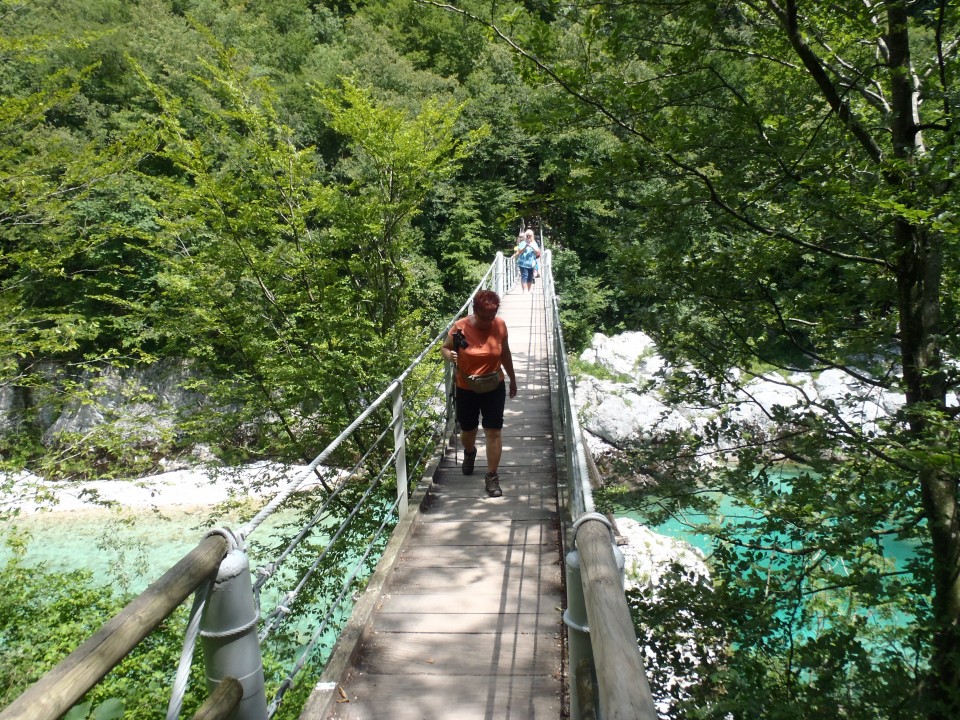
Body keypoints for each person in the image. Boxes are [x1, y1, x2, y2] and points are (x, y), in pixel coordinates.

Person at [441, 289, 518, 497]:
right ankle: (470, 452)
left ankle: (492, 476)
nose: (488, 322)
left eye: (491, 317)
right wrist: (451, 356)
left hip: (494, 384)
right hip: (466, 387)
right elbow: (445, 348)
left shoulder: (500, 325)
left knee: (493, 431)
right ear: (475, 311)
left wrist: (512, 378)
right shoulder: (460, 327)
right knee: (468, 431)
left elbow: (506, 353)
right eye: (484, 317)